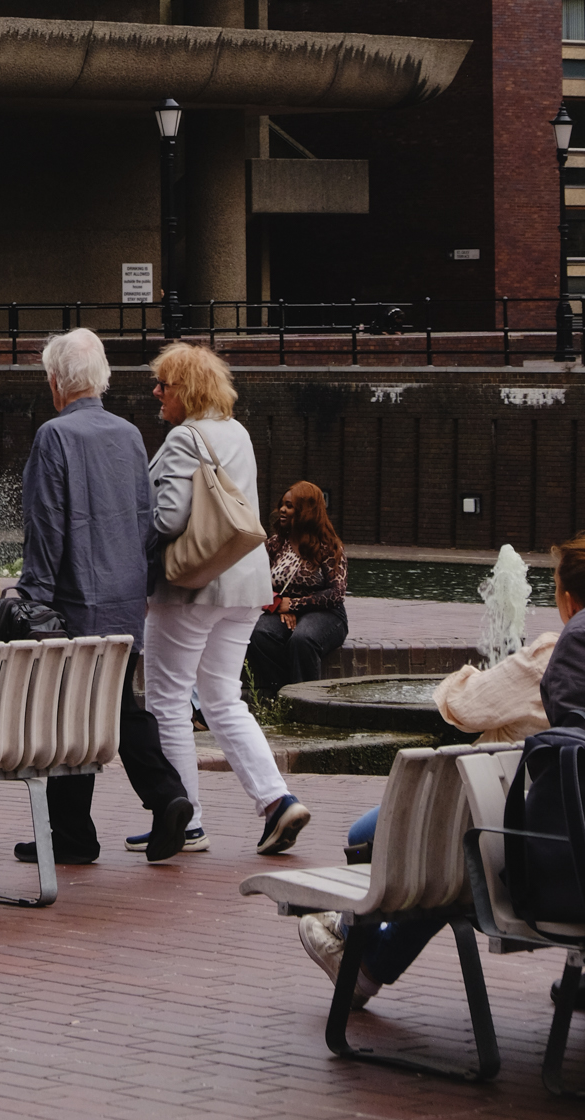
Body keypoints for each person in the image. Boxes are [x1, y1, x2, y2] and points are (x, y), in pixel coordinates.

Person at [298, 550, 567, 1008]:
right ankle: (362, 956)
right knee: (449, 855)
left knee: (391, 841)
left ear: (567, 599)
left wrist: (470, 674)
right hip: (542, 838)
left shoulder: (551, 657)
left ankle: (355, 944)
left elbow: (462, 705)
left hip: (520, 843)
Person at [15, 327, 194, 868]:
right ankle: (125, 813)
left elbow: (45, 524)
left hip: (72, 600)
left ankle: (97, 823)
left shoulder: (55, 436)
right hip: (121, 597)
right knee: (112, 705)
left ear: (55, 382)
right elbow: (146, 520)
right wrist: (136, 584)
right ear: (102, 379)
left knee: (72, 713)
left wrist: (34, 596)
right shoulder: (131, 435)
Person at [144, 341, 310, 858]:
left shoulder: (182, 439)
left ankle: (184, 823)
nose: (157, 392)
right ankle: (277, 800)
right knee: (223, 699)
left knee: (167, 702)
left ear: (185, 391)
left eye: (163, 385)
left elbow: (168, 520)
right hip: (244, 585)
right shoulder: (237, 432)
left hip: (192, 585)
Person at [244, 482, 349, 701]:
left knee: (303, 639)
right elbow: (256, 581)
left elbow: (336, 593)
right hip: (280, 609)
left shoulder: (328, 546)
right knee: (258, 634)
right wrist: (279, 605)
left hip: (327, 613)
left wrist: (293, 605)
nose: (282, 510)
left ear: (306, 511)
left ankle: (309, 703)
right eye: (282, 505)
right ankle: (283, 695)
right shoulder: (275, 544)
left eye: (290, 506)